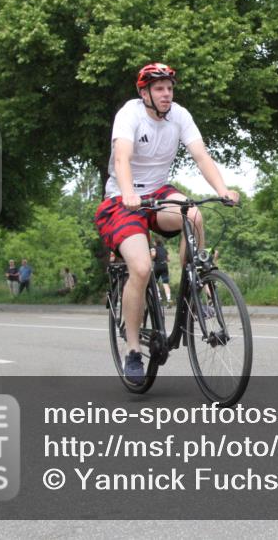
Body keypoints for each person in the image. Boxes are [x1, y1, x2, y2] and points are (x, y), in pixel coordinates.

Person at [93, 62, 240, 384]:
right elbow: (121, 158)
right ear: (144, 92)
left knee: (195, 214)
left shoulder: (180, 116)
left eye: (170, 88)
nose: (166, 94)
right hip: (123, 199)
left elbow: (201, 155)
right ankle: (133, 350)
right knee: (142, 269)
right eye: (159, 89)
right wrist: (129, 193)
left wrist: (222, 189)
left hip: (158, 193)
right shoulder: (129, 114)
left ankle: (195, 285)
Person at [150, 238, 172, 305]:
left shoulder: (153, 248)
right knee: (165, 283)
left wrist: (150, 258)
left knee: (154, 281)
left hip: (157, 266)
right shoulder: (164, 249)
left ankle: (159, 297)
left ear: (155, 243)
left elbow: (153, 254)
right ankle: (168, 299)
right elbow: (168, 259)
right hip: (165, 266)